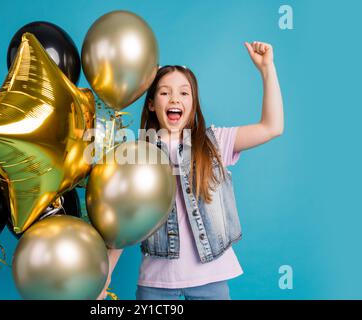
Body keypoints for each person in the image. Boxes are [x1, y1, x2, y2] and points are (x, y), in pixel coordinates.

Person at [96, 41, 284, 300]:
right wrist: (104, 276)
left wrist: (267, 69)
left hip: (211, 279)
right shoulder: (136, 154)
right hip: (156, 284)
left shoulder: (215, 142)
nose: (174, 98)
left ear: (193, 104)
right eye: (164, 93)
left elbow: (272, 127)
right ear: (151, 104)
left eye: (184, 93)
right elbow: (124, 221)